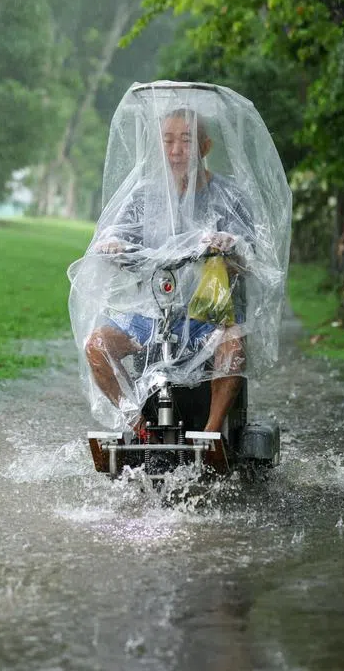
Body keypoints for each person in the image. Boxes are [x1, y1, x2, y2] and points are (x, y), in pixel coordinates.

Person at [82, 106, 254, 438]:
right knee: (97, 345)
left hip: (208, 313)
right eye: (168, 141)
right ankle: (137, 424)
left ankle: (212, 433)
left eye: (186, 141)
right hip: (152, 313)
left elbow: (249, 256)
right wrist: (113, 244)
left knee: (232, 345)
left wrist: (230, 245)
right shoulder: (144, 196)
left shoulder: (229, 197)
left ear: (205, 147)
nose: (176, 151)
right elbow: (115, 234)